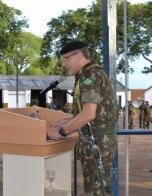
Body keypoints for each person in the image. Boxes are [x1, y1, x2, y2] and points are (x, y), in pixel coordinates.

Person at [47, 41, 117, 195]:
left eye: (66, 58)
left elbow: (88, 114)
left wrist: (61, 131)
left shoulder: (89, 76)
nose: (64, 64)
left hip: (97, 142)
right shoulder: (89, 73)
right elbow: (95, 112)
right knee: (97, 188)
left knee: (96, 191)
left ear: (79, 55)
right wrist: (70, 120)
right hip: (97, 141)